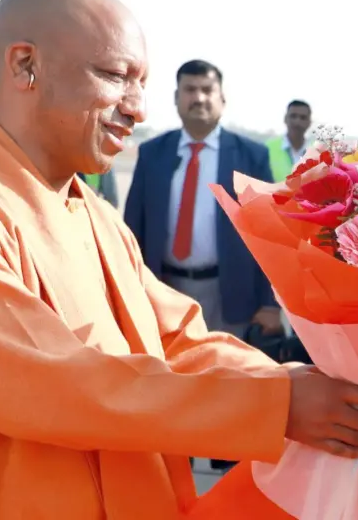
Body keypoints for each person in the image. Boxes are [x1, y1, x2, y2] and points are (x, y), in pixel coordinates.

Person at [0, 0, 358, 519]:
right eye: (114, 75)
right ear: (25, 66)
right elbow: (47, 382)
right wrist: (276, 406)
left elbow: (181, 343)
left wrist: (318, 390)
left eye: (142, 83)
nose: (138, 107)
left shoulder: (97, 218)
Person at [125, 59, 284, 472]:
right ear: (176, 99)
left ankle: (227, 475)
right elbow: (133, 227)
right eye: (189, 90)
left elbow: (268, 234)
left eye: (206, 90)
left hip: (226, 291)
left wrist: (270, 302)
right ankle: (175, 470)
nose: (198, 98)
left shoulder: (249, 155)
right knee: (171, 385)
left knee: (227, 384)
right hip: (164, 290)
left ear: (222, 98)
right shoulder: (152, 154)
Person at [265, 100, 312, 182]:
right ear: (285, 119)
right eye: (293, 116)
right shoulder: (267, 149)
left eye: (303, 118)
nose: (297, 122)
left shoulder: (318, 152)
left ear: (309, 122)